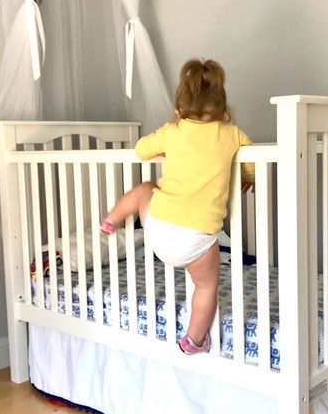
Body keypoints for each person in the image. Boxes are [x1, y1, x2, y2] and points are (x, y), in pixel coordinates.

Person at [100, 58, 254, 354]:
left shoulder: (172, 131)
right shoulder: (233, 135)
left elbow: (141, 150)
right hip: (195, 239)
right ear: (224, 110)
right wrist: (247, 178)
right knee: (207, 287)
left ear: (179, 110)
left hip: (158, 230)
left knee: (145, 189)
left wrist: (165, 145)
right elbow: (252, 167)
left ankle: (112, 218)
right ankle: (194, 340)